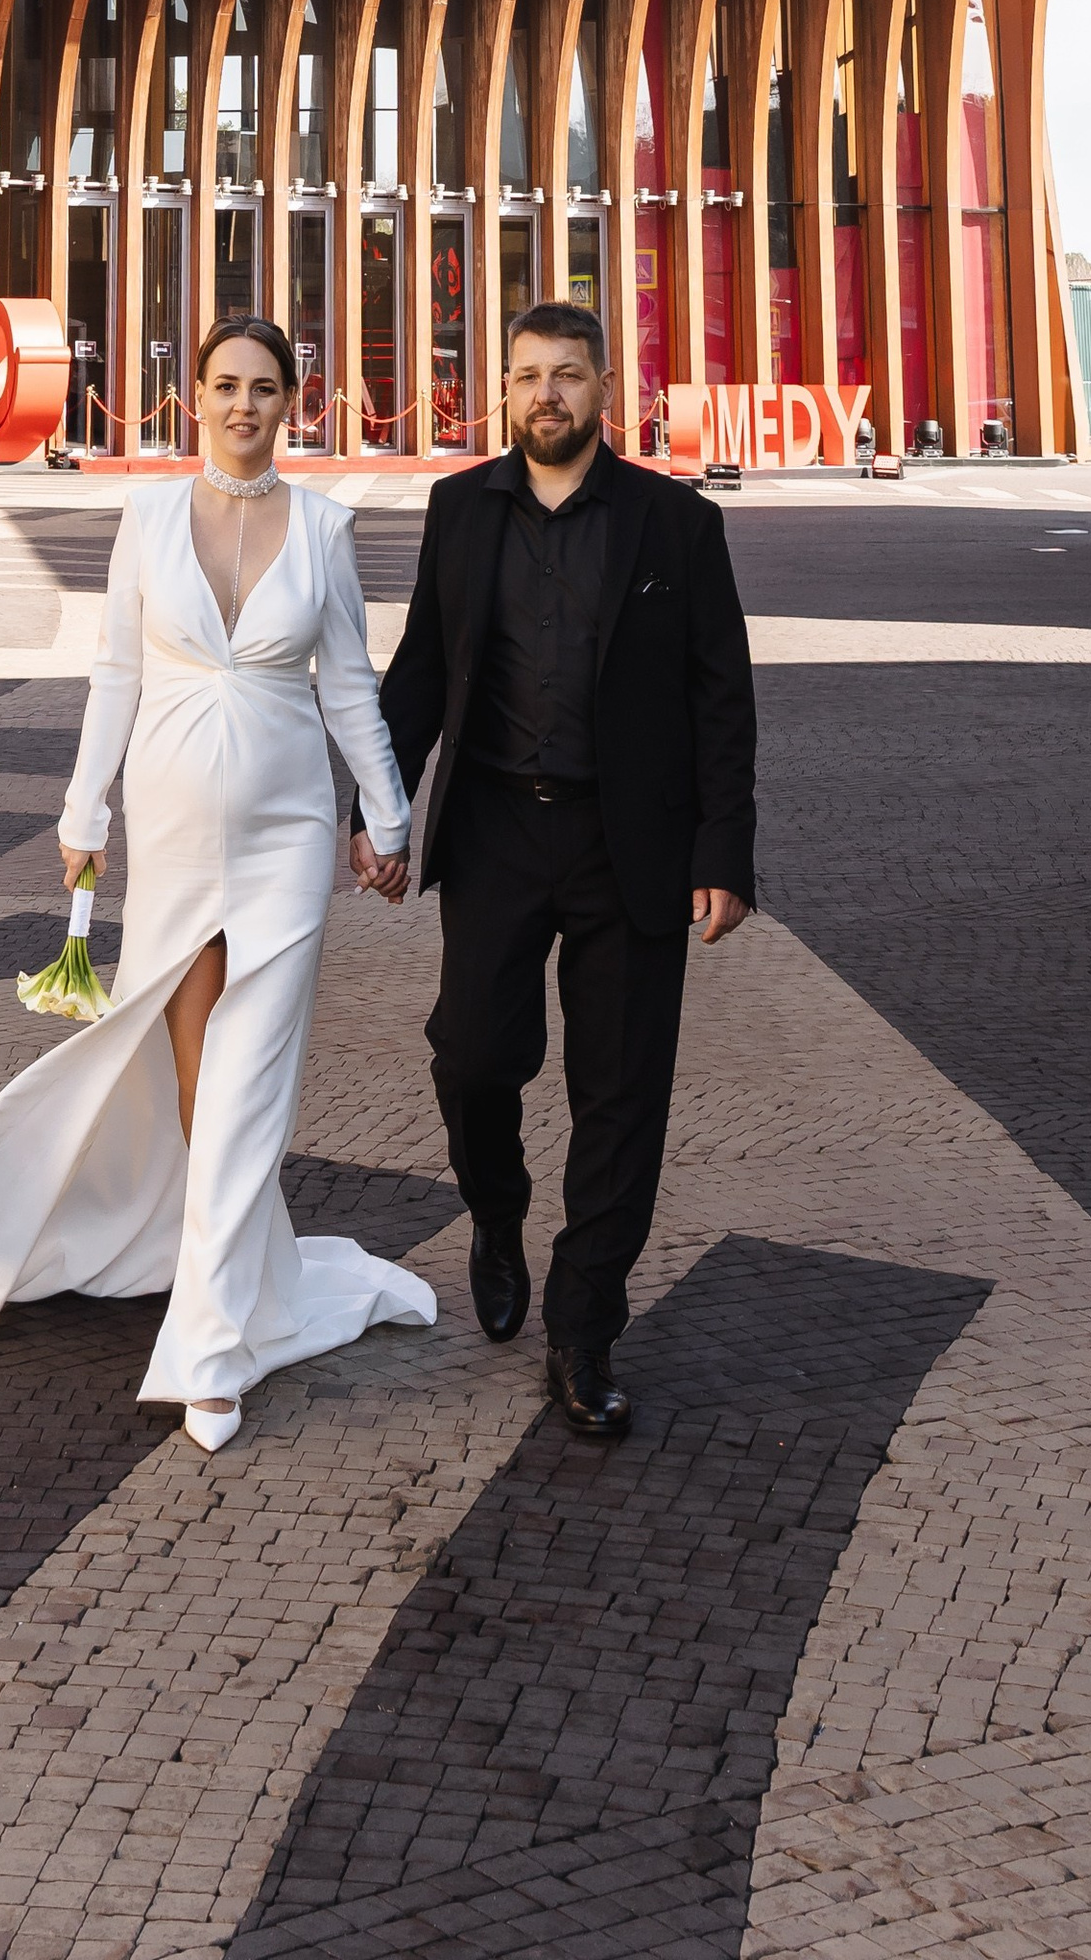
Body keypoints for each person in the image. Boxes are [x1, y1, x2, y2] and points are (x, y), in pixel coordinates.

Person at [0, 316, 434, 1451]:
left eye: (264, 388)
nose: (243, 406)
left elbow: (350, 686)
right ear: (192, 396)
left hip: (289, 833)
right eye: (224, 385)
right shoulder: (150, 516)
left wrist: (389, 816)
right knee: (198, 1079)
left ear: (293, 401)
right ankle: (239, 1270)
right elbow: (115, 669)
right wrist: (81, 812)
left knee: (251, 1081)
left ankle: (209, 1351)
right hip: (168, 832)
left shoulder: (321, 527)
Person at [373, 300, 755, 1442]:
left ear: (604, 388)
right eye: (529, 374)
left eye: (569, 375)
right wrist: (376, 813)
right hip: (494, 828)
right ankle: (498, 1215)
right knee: (473, 1056)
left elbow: (720, 700)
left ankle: (584, 1329)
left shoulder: (674, 525)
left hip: (627, 843)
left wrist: (722, 853)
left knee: (621, 1094)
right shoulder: (458, 511)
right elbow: (417, 674)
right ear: (504, 389)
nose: (548, 393)